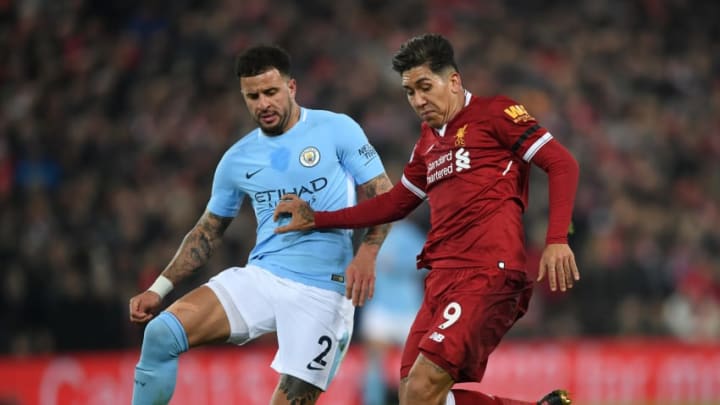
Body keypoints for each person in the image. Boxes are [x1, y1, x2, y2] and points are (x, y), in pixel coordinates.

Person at [274, 33, 580, 405]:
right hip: (441, 281)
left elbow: (562, 163)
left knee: (421, 388)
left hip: (488, 271)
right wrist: (317, 219)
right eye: (409, 92)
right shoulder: (427, 142)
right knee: (413, 396)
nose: (418, 100)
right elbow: (395, 204)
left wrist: (556, 239)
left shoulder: (495, 113)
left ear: (452, 81)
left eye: (424, 87)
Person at [128, 44, 392, 405]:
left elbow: (384, 196)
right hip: (263, 277)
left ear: (292, 87)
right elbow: (207, 232)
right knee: (160, 335)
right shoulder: (237, 159)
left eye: (271, 92)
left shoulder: (337, 130)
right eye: (252, 96)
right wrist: (158, 289)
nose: (263, 103)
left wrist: (368, 252)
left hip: (324, 293)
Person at [360, 217, 427, 405]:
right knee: (374, 363)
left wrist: (398, 264)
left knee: (417, 366)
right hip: (380, 308)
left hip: (408, 311)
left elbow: (426, 261)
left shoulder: (409, 233)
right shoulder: (371, 233)